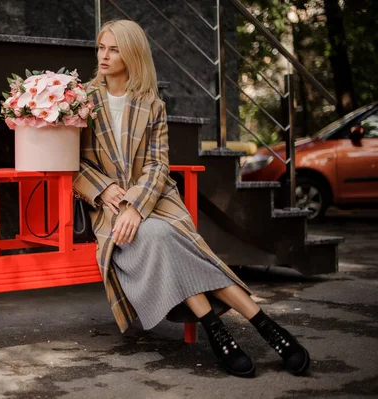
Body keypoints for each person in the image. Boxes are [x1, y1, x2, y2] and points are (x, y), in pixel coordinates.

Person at [72, 19, 310, 377]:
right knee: (170, 240)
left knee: (167, 237)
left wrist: (137, 206)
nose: (104, 56)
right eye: (101, 48)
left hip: (155, 200)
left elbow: (157, 164)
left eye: (114, 49)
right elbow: (72, 162)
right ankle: (263, 328)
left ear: (132, 53)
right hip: (108, 206)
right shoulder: (81, 100)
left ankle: (225, 332)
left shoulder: (151, 105)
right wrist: (104, 189)